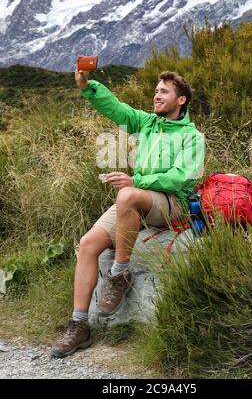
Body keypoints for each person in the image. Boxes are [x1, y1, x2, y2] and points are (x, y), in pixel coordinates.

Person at [50, 70, 205, 358]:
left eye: (164, 92)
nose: (157, 96)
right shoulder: (147, 123)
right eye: (156, 91)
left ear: (181, 100)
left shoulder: (192, 137)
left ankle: (120, 274)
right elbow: (116, 109)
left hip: (171, 203)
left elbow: (183, 177)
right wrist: (88, 86)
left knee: (127, 194)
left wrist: (138, 182)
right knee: (88, 244)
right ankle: (79, 325)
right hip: (137, 198)